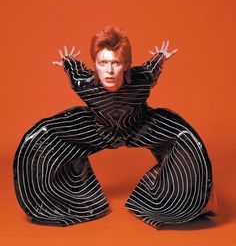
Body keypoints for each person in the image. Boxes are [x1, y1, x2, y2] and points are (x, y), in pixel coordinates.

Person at [14, 26, 215, 228]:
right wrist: (68, 61)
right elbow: (74, 69)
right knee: (42, 134)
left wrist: (161, 56)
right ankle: (64, 202)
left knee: (185, 137)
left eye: (116, 63)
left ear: (126, 65)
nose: (109, 71)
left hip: (140, 127)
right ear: (95, 65)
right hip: (97, 129)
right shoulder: (83, 83)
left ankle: (193, 201)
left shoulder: (142, 79)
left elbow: (153, 67)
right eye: (102, 63)